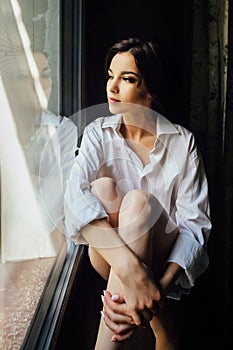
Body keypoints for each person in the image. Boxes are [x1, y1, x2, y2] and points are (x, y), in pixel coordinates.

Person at [64, 37, 211, 349]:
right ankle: (152, 313)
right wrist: (134, 272)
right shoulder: (97, 132)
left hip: (163, 258)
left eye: (127, 79)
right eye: (110, 75)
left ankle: (127, 320)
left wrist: (155, 287)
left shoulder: (182, 143)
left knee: (139, 202)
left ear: (152, 91)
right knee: (101, 188)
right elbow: (74, 200)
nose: (112, 87)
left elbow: (195, 225)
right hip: (109, 254)